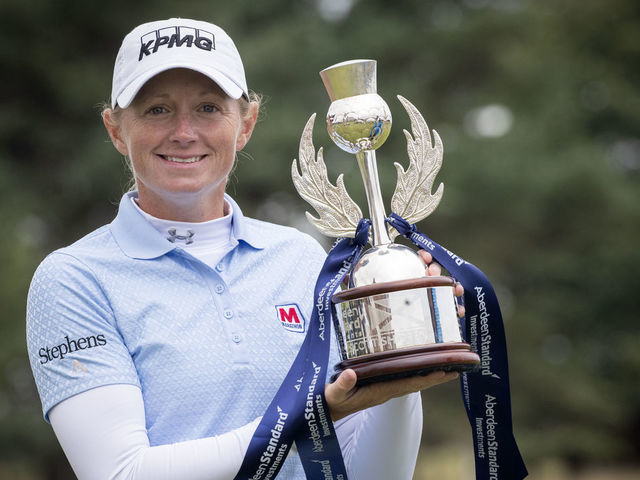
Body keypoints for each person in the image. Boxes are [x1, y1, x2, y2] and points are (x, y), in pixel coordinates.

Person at [26, 18, 460, 479]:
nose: (184, 132)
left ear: (246, 123)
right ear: (116, 129)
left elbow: (370, 475)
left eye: (209, 108)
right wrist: (309, 417)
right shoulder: (73, 279)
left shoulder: (301, 258)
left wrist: (400, 367)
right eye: (157, 110)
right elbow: (121, 474)